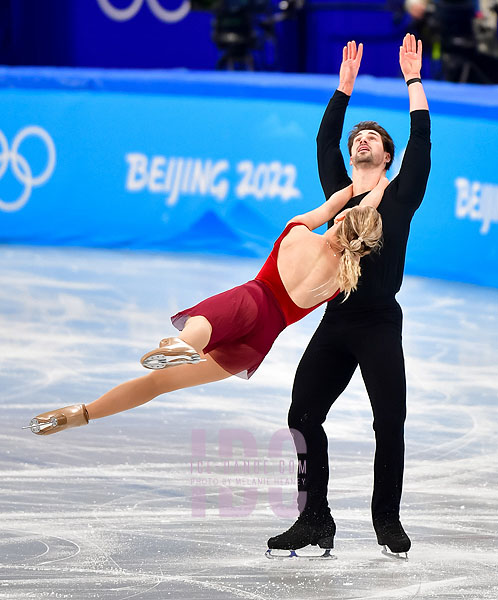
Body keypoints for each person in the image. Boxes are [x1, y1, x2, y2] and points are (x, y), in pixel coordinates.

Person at [25, 178, 388, 436]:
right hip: (259, 341)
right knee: (159, 384)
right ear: (364, 249)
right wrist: (380, 192)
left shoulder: (298, 235)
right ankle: (85, 413)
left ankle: (178, 350)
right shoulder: (342, 280)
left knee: (200, 327)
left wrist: (359, 190)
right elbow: (358, 231)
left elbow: (330, 207)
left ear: (340, 218)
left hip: (252, 300)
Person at [267, 34, 431, 556]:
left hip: (380, 321)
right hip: (336, 321)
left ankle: (386, 519)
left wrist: (413, 82)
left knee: (390, 423)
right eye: (357, 135)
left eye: (371, 138)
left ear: (386, 155)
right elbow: (324, 143)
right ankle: (315, 518)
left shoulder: (402, 196)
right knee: (302, 415)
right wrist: (343, 90)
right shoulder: (340, 192)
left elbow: (423, 143)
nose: (361, 140)